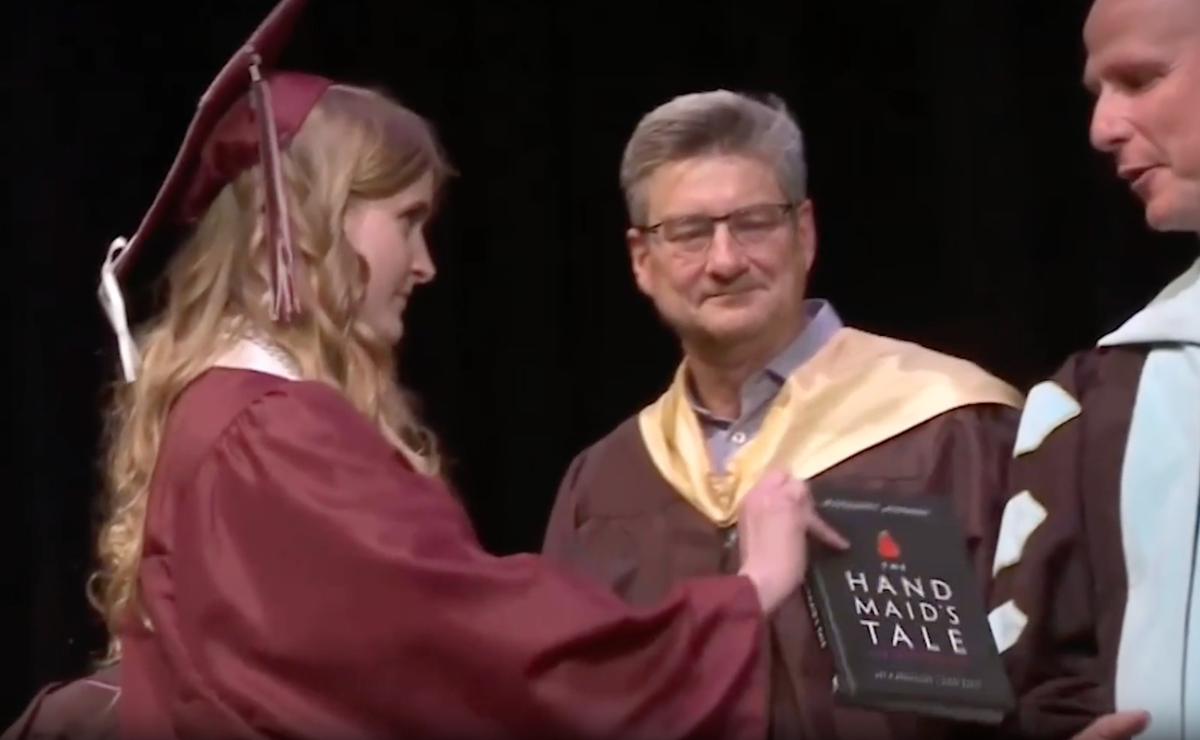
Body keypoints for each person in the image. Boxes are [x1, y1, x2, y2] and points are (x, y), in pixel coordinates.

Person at [1, 2, 831, 738]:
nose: (426, 263)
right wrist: (747, 590)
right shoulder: (270, 432)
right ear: (307, 228)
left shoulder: (216, 416)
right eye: (405, 220)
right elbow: (473, 648)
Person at [541, 89, 1026, 740]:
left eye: (753, 223)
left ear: (804, 231)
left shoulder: (950, 426)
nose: (725, 261)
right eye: (688, 233)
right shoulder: (605, 482)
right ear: (640, 260)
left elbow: (1044, 664)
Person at [986, 0, 1200, 739]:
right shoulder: (1101, 397)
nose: (1102, 128)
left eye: (1140, 79)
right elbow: (1048, 673)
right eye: (1098, 93)